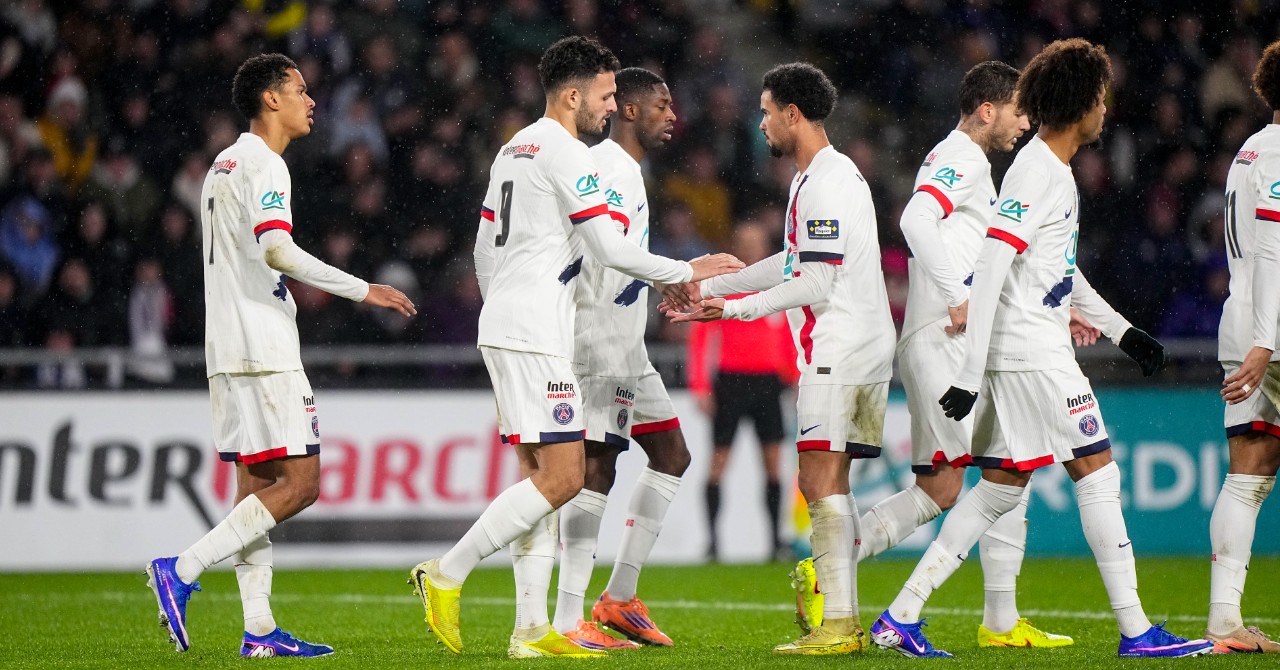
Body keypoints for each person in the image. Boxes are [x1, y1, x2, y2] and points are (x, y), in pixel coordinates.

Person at [868, 39, 1214, 659]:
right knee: (1097, 471)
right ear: (1081, 103)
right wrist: (971, 373)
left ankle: (901, 613)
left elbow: (1055, 268)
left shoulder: (1048, 169)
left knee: (1003, 483)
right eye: (1101, 97)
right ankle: (1136, 629)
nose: (1106, 109)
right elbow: (996, 260)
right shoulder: (1037, 172)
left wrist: (1121, 331)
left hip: (1032, 344)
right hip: (1033, 352)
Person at [409, 36, 742, 659]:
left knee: (546, 476)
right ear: (572, 95)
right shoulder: (572, 155)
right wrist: (683, 269)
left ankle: (531, 629)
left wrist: (506, 298)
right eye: (607, 95)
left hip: (517, 322)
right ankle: (448, 572)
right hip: (545, 333)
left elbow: (484, 248)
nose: (611, 108)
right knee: (565, 478)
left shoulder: (514, 147)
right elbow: (610, 252)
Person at [790, 61, 1073, 649]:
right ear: (988, 109)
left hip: (937, 339)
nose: (1025, 124)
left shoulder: (969, 163)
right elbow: (914, 218)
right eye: (1019, 112)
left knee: (946, 487)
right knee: (1007, 467)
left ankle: (840, 565)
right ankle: (971, 617)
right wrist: (959, 296)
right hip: (945, 337)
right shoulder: (963, 157)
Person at [144, 53, 416, 658]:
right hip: (263, 345)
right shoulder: (265, 163)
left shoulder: (222, 164)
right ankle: (182, 569)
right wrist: (361, 288)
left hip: (226, 345)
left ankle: (260, 631)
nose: (311, 101)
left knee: (255, 488)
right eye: (299, 89)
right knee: (300, 484)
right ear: (271, 99)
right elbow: (277, 251)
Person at [665, 62, 896, 656]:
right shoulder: (814, 179)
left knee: (817, 478)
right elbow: (795, 262)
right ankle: (839, 614)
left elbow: (815, 282)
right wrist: (713, 288)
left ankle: (839, 622)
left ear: (794, 113)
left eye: (767, 111)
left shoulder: (824, 182)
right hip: (856, 346)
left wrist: (736, 311)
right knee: (830, 479)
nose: (761, 122)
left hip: (839, 350)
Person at [549, 66, 690, 651]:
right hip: (600, 340)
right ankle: (569, 615)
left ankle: (620, 597)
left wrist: (658, 284)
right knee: (596, 468)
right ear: (629, 111)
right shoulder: (608, 166)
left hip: (629, 346)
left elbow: (618, 253)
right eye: (661, 105)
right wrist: (678, 273)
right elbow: (600, 247)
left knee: (673, 454)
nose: (672, 115)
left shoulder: (627, 170)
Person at [1207, 38, 1280, 655]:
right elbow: (1272, 251)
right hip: (1271, 333)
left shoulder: (1249, 150)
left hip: (1243, 323)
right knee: (1250, 476)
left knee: (1249, 474)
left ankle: (1225, 622)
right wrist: (1267, 341)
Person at [687, 221, 796, 562]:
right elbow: (702, 338)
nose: (750, 249)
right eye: (745, 242)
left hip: (768, 383)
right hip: (731, 382)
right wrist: (701, 386)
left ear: (765, 247)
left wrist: (792, 376)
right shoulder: (727, 285)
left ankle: (776, 541)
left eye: (756, 242)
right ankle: (713, 543)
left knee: (774, 465)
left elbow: (789, 333)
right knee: (718, 464)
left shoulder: (777, 284)